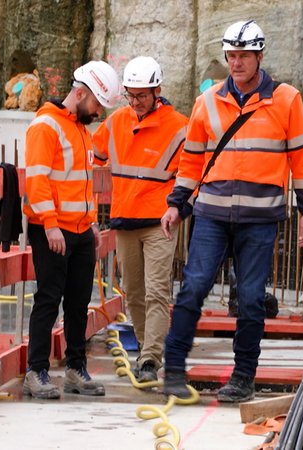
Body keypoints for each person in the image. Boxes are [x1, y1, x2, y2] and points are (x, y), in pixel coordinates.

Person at [160, 19, 303, 402]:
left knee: (250, 298)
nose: (236, 62)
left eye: (244, 55)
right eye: (231, 55)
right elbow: (191, 161)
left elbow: (302, 158)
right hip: (211, 214)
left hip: (260, 219)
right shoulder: (207, 101)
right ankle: (174, 370)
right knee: (193, 288)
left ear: (260, 56)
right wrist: (176, 205)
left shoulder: (286, 100)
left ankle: (243, 377)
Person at [22, 60, 120, 399]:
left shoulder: (80, 130)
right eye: (96, 104)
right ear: (80, 94)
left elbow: (82, 183)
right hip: (52, 229)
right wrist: (50, 225)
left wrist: (91, 223)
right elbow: (37, 181)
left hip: (79, 230)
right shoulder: (46, 126)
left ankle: (76, 369)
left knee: (79, 302)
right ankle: (36, 371)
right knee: (49, 298)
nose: (98, 112)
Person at [92, 56, 188, 383]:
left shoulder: (179, 126)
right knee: (133, 291)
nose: (135, 102)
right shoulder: (116, 121)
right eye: (130, 96)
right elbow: (93, 157)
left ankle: (149, 358)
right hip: (125, 219)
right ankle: (147, 349)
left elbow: (191, 173)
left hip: (160, 221)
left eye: (141, 96)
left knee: (156, 290)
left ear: (157, 91)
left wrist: (178, 208)